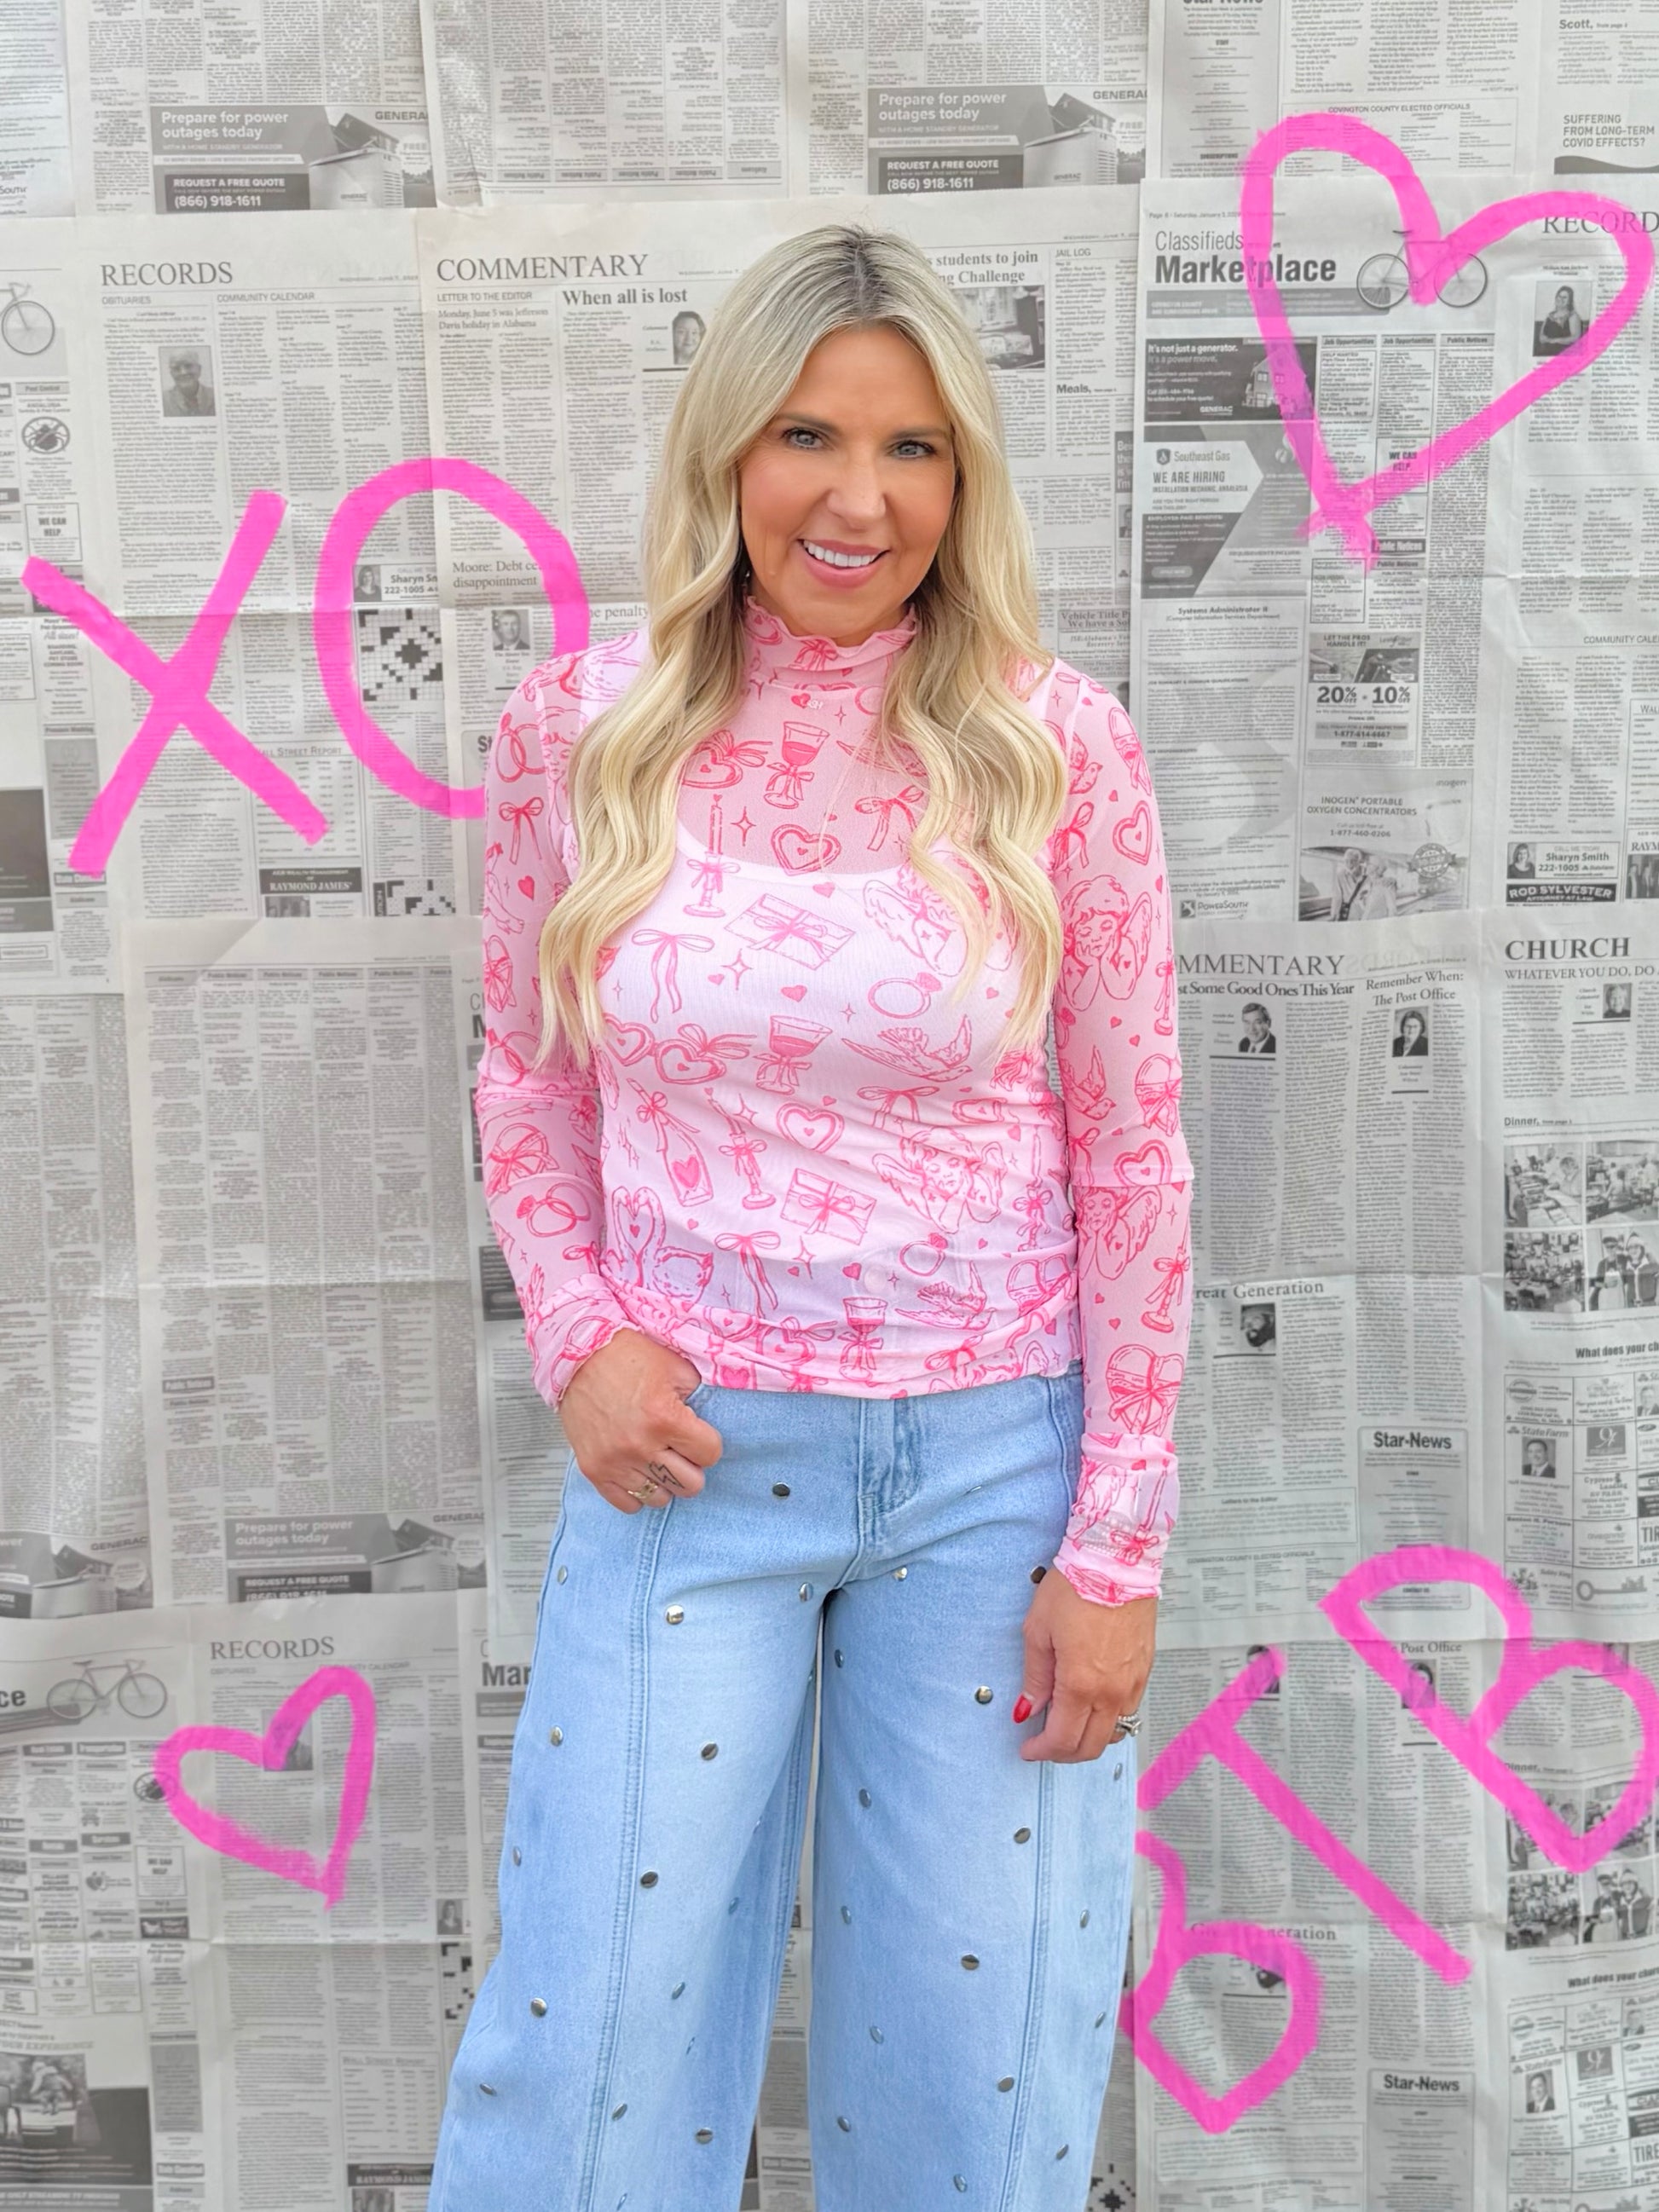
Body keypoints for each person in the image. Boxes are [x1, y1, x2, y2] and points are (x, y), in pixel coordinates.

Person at [431, 225, 1193, 2212]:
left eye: (912, 448)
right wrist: (579, 1336)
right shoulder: (581, 725)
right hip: (685, 1468)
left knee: (972, 2077)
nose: (859, 499)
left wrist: (1115, 1539)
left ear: (964, 478)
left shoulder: (1054, 742)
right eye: (809, 436)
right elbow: (529, 1076)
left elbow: (1133, 1153)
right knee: (586, 2051)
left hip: (994, 1477)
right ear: (728, 451)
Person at [161, 349, 215, 417]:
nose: (183, 373)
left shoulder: (215, 396)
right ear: (171, 374)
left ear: (199, 369)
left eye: (188, 366)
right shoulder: (163, 400)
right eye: (176, 368)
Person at [1538, 284, 1585, 355]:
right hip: (1547, 353)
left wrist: (1555, 340)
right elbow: (1541, 337)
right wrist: (1546, 340)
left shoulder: (1573, 316)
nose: (1561, 299)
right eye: (1559, 296)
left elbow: (1575, 338)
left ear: (1569, 301)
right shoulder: (1549, 315)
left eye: (1564, 297)